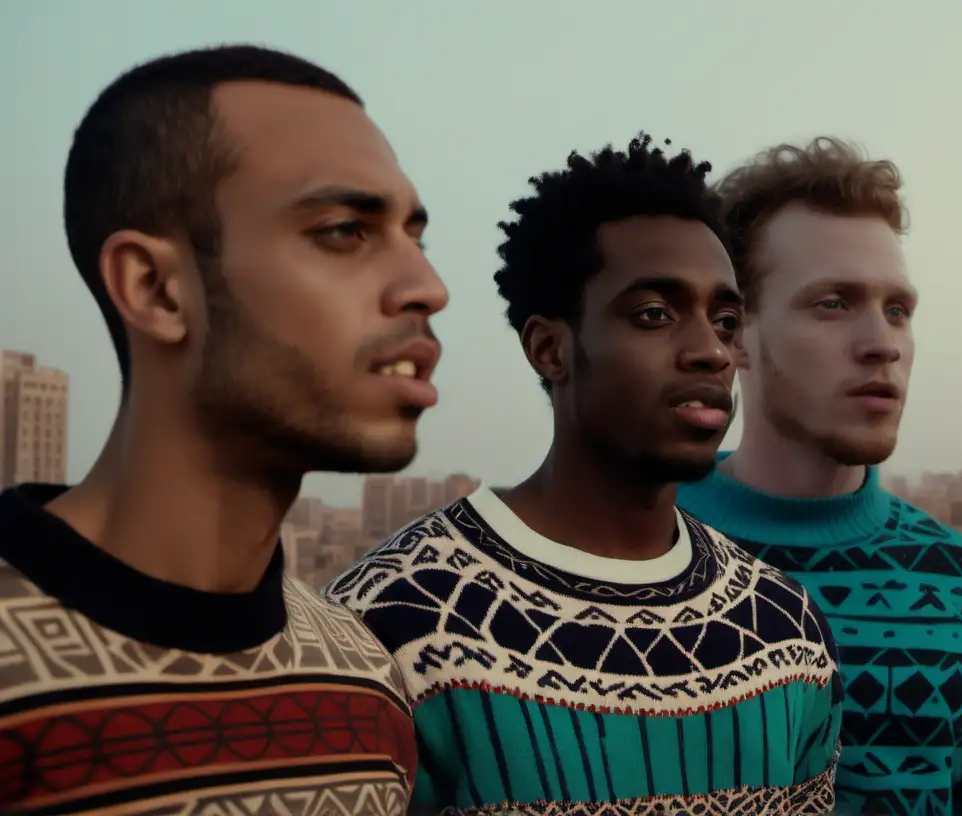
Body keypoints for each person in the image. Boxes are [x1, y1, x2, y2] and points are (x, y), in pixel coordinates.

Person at [326, 134, 842, 815]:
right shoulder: (393, 623)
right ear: (550, 348)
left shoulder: (785, 631)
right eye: (654, 314)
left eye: (724, 320)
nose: (711, 352)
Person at [0, 45, 445, 814]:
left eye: (416, 236)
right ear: (156, 289)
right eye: (345, 230)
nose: (427, 287)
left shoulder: (366, 682)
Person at [676, 137, 962, 816]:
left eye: (898, 309)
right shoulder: (624, 555)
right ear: (733, 335)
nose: (883, 342)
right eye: (834, 303)